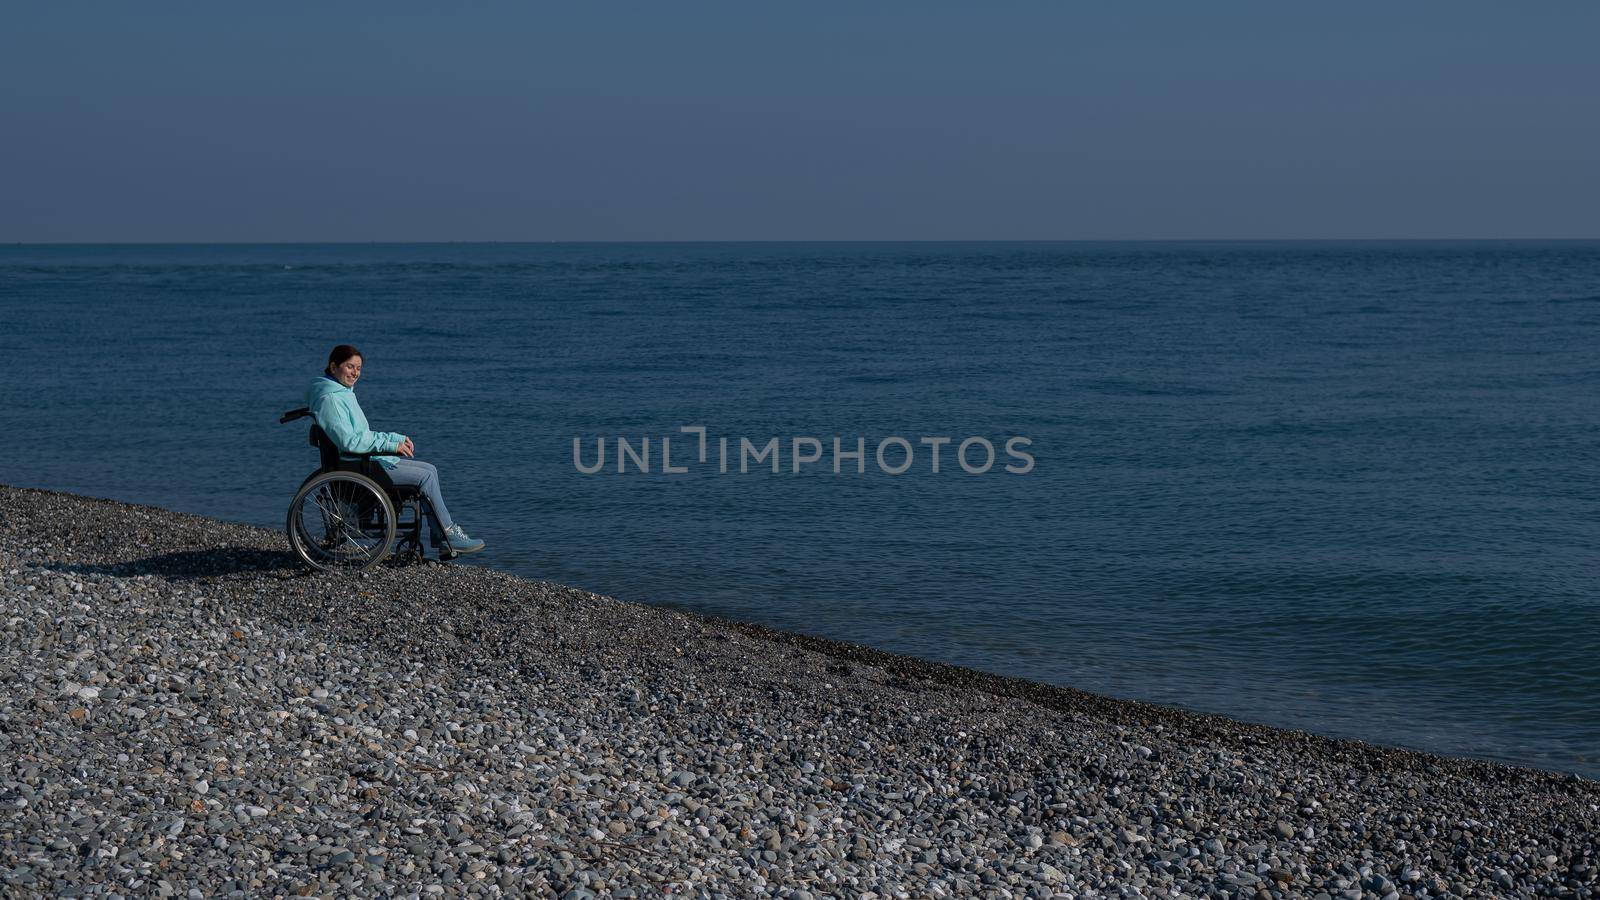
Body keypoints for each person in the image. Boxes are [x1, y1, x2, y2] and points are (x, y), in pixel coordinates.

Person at [306, 344, 485, 554]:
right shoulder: (331, 399)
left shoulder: (340, 393)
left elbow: (362, 435)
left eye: (359, 368)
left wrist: (395, 438)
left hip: (359, 460)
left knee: (430, 469)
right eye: (350, 367)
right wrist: (391, 446)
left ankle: (443, 537)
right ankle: (448, 534)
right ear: (333, 366)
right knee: (425, 478)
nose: (355, 373)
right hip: (357, 466)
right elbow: (350, 442)